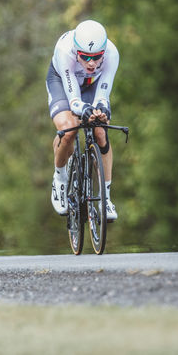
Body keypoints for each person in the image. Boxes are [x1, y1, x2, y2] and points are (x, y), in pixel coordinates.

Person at [46, 19, 120, 220]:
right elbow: (74, 101)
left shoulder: (112, 54)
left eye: (97, 57)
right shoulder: (64, 51)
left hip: (92, 85)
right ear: (76, 51)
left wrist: (102, 110)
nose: (91, 63)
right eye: (85, 57)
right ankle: (60, 180)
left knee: (100, 131)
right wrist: (84, 110)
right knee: (69, 128)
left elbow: (103, 96)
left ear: (103, 52)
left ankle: (106, 199)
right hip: (62, 83)